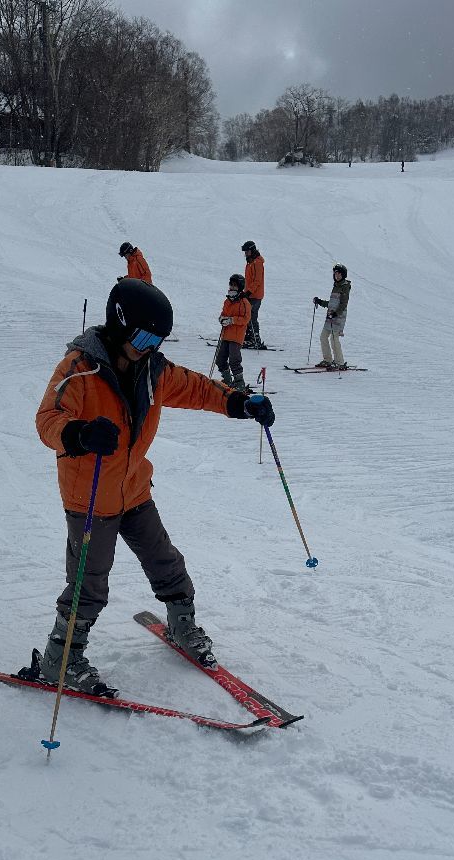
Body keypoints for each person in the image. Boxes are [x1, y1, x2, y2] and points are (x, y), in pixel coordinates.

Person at [24, 278, 275, 695]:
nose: (149, 348)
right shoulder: (78, 368)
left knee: (166, 562)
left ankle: (182, 624)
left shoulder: (153, 372)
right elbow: (48, 418)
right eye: (143, 338)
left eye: (157, 341)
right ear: (119, 324)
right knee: (89, 581)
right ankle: (60, 658)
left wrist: (239, 402)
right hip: (90, 498)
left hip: (134, 489)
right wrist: (79, 433)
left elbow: (198, 388)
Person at [215, 274, 251, 391]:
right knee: (220, 359)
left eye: (235, 285)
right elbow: (223, 313)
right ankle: (227, 380)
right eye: (231, 284)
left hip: (236, 336)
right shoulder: (227, 301)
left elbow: (246, 319)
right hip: (225, 334)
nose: (232, 287)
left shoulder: (244, 302)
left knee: (234, 360)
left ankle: (239, 383)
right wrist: (222, 319)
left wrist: (232, 320)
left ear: (240, 287)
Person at [313, 264, 351, 370]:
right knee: (323, 337)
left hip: (338, 317)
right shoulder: (336, 286)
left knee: (334, 339)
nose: (337, 276)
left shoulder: (345, 287)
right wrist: (320, 302)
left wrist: (336, 313)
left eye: (339, 274)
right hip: (330, 316)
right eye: (335, 274)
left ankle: (340, 362)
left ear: (343, 275)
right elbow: (332, 303)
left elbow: (343, 304)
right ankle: (328, 360)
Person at [241, 240, 266, 348]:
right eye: (245, 252)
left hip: (255, 295)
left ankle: (255, 339)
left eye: (247, 251)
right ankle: (248, 337)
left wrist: (249, 292)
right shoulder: (250, 262)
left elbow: (257, 280)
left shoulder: (257, 263)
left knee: (252, 316)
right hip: (250, 294)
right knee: (247, 315)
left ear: (252, 250)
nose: (245, 253)